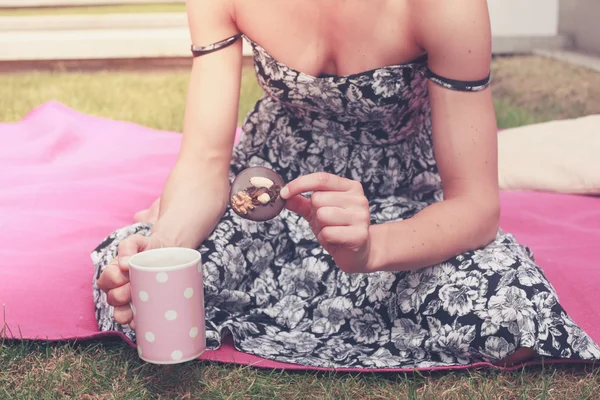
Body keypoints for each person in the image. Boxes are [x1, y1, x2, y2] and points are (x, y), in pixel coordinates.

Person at [93, 0, 600, 368]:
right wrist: (161, 252)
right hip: (272, 196)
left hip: (400, 210)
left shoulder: (449, 6)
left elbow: (475, 206)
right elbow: (205, 159)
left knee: (509, 306)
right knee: (128, 271)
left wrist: (373, 248)